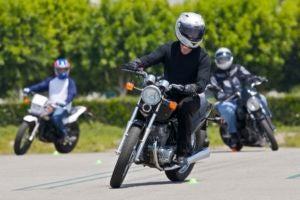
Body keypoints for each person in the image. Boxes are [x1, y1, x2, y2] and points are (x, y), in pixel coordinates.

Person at [122, 12, 211, 165]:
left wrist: (194, 86)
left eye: (195, 32)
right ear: (179, 29)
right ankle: (135, 141)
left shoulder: (203, 57)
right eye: (188, 31)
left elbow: (202, 81)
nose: (191, 36)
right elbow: (150, 58)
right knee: (146, 100)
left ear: (201, 34)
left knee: (183, 108)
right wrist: (137, 63)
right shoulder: (168, 48)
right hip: (168, 91)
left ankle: (182, 152)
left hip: (189, 95)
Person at [210, 47, 268, 148]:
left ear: (230, 58)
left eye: (225, 59)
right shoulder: (214, 75)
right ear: (217, 61)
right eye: (221, 59)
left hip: (242, 97)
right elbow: (214, 89)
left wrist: (256, 79)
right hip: (227, 100)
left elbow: (248, 76)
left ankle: (266, 120)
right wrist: (222, 95)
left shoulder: (238, 68)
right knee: (227, 110)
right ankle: (233, 135)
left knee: (261, 98)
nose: (223, 61)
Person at [23, 58, 77, 143]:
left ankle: (65, 135)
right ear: (56, 70)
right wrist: (29, 89)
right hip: (50, 105)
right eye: (60, 69)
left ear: (68, 70)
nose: (62, 71)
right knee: (36, 113)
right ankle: (41, 132)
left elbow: (72, 93)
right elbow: (40, 86)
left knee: (56, 117)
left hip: (64, 107)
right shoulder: (51, 81)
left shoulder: (70, 82)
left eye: (64, 69)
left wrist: (65, 102)